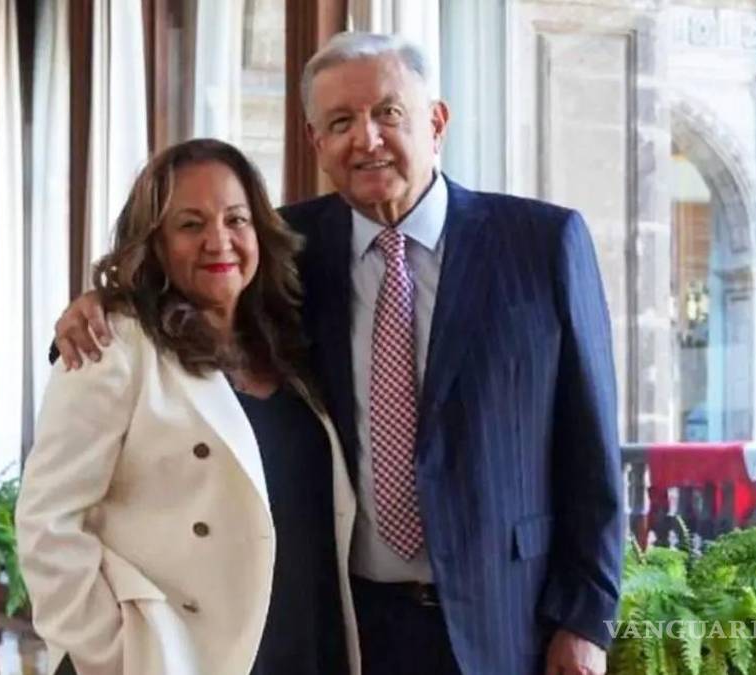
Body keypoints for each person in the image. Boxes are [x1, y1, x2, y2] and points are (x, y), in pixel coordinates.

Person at [51, 32, 623, 675]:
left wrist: (587, 621)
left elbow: (591, 451)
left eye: (388, 113)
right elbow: (187, 276)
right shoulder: (287, 246)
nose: (366, 139)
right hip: (347, 625)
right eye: (341, 122)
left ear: (437, 122)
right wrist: (103, 305)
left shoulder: (541, 243)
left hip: (506, 621)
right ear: (315, 141)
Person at [16, 138, 361, 675]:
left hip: (308, 640)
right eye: (190, 224)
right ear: (154, 243)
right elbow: (47, 523)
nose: (218, 241)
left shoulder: (289, 340)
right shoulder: (113, 346)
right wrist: (115, 655)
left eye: (236, 220)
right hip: (179, 656)